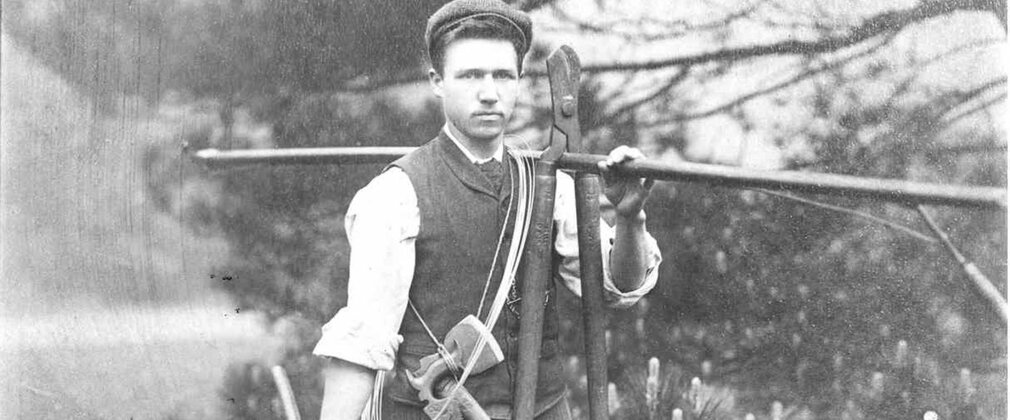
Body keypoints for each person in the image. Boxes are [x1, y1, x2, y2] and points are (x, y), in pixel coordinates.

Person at [313, 1, 663, 418]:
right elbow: (360, 347)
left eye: (502, 75)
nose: (489, 93)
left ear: (518, 80)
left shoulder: (550, 185)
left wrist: (629, 219)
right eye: (470, 76)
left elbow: (617, 287)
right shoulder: (395, 195)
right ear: (437, 81)